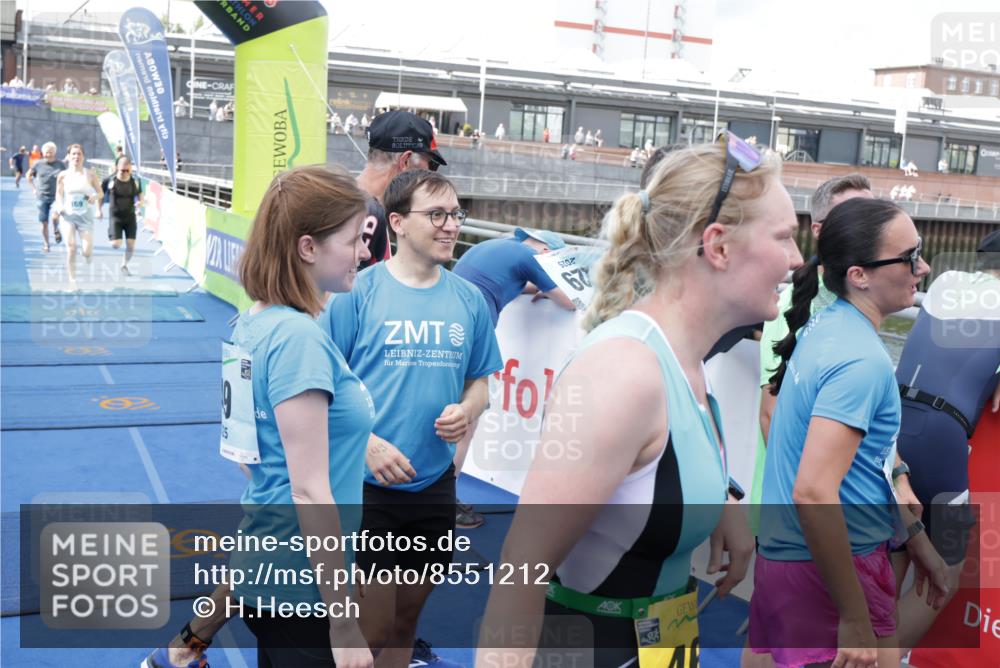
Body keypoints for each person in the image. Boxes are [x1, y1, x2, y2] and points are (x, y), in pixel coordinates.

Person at [476, 133, 800, 666]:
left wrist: (723, 502)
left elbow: (653, 470)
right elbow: (521, 564)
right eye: (785, 238)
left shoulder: (684, 357)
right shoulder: (624, 373)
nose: (795, 260)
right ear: (717, 246)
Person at [750, 197, 949, 668]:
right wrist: (854, 618)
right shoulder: (861, 360)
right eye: (908, 257)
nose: (922, 267)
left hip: (787, 560)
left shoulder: (826, 326)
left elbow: (866, 464)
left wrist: (916, 541)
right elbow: (816, 491)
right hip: (833, 571)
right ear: (859, 275)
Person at [323, 169, 502, 668]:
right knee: (372, 626)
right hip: (367, 487)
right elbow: (325, 386)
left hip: (434, 485)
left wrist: (466, 410)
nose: (451, 226)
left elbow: (482, 383)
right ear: (397, 223)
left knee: (406, 623)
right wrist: (365, 444)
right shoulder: (357, 292)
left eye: (456, 215)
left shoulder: (468, 300)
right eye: (437, 215)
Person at [224, 165, 373, 668]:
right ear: (308, 248)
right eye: (353, 240)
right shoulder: (298, 339)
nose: (364, 253)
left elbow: (247, 457)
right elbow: (309, 490)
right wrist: (345, 620)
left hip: (268, 565)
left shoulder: (250, 322)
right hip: (300, 585)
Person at [890, 228, 1000, 654]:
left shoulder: (947, 281)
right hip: (942, 440)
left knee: (897, 552)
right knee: (947, 570)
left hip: (893, 427)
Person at [450, 227, 576, 528]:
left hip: (450, 328)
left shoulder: (499, 248)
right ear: (547, 253)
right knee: (466, 422)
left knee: (448, 414)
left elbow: (518, 286)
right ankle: (444, 502)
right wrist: (550, 287)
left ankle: (428, 495)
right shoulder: (531, 257)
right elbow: (570, 300)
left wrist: (540, 288)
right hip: (473, 334)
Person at [358, 110, 448, 268]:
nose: (430, 176)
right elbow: (340, 291)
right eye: (431, 166)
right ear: (405, 161)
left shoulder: (344, 196)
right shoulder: (370, 213)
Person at [55, 144, 102, 284]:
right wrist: (59, 206)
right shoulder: (63, 175)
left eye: (79, 154)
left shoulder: (90, 174)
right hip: (68, 216)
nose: (76, 156)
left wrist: (95, 197)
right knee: (71, 247)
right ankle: (72, 278)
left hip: (85, 217)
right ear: (68, 157)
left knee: (86, 251)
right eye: (73, 154)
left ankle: (87, 255)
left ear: (83, 156)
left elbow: (101, 192)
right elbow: (58, 194)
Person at [101, 156, 144, 276]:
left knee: (131, 245)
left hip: (130, 217)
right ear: (117, 168)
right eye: (122, 170)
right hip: (116, 217)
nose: (125, 173)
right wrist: (98, 209)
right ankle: (112, 232)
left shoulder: (135, 180)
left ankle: (124, 265)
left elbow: (140, 195)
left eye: (127, 170)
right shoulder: (109, 180)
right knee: (116, 245)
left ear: (130, 168)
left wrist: (140, 203)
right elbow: (100, 194)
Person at [26, 142, 64, 252]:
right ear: (43, 153)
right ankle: (46, 244)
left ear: (55, 153)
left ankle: (56, 229)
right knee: (44, 222)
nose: (49, 155)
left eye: (51, 153)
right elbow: (29, 175)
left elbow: (66, 177)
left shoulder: (60, 165)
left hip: (57, 195)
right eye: (47, 153)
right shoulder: (37, 164)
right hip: (42, 196)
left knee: (55, 216)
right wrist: (33, 188)